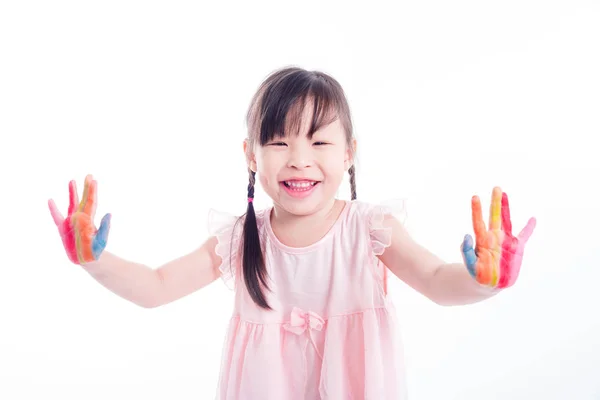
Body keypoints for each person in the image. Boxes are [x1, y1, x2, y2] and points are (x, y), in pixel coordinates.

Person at [48, 66, 537, 399]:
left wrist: (484, 280)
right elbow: (156, 287)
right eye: (279, 141)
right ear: (250, 154)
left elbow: (435, 279)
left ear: (348, 153)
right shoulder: (242, 239)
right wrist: (94, 259)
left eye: (320, 141)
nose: (300, 158)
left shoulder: (369, 228)